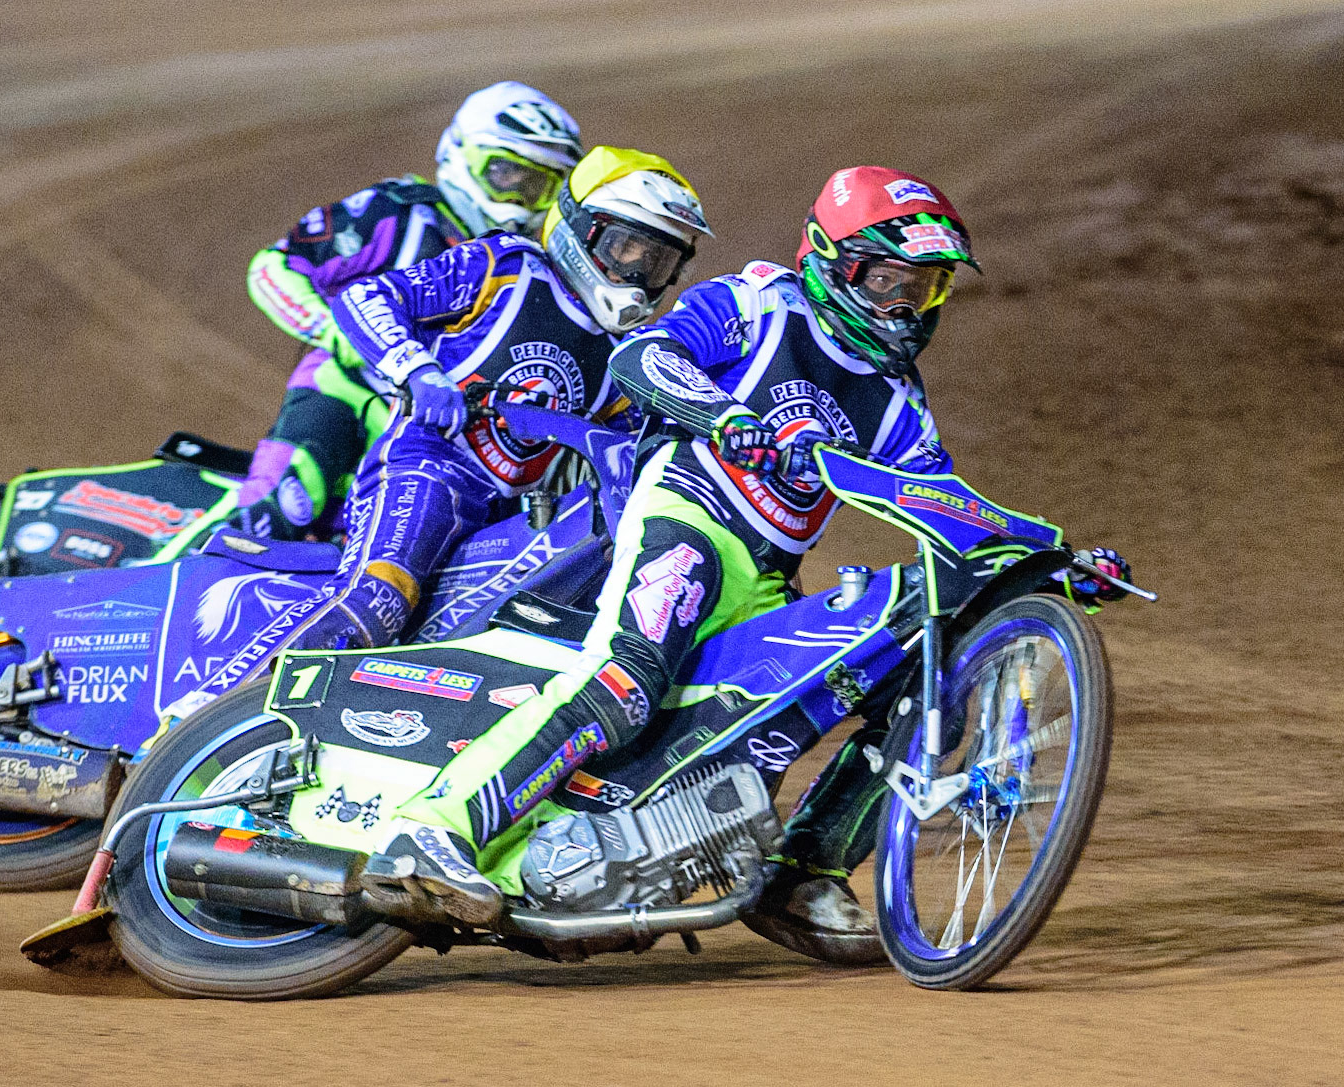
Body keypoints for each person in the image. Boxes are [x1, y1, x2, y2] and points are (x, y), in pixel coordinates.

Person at [356, 166, 1132, 943]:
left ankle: (800, 878)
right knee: (624, 682)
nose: (904, 308)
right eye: (889, 281)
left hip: (761, 575)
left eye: (924, 290)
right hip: (682, 517)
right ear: (833, 263)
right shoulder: (758, 302)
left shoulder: (899, 400)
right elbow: (644, 358)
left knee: (881, 692)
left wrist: (1049, 559)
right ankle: (433, 827)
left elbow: (939, 504)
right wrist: (723, 416)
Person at [259, 146, 710, 674]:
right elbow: (367, 297)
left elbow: (640, 450)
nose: (638, 271)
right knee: (378, 601)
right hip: (430, 468)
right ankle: (219, 717)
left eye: (659, 260)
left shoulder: (629, 353)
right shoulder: (503, 266)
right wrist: (418, 369)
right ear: (581, 227)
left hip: (512, 517)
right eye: (628, 247)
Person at [239, 81, 583, 539]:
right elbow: (273, 268)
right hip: (348, 391)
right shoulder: (398, 212)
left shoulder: (529, 268)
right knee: (281, 507)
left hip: (442, 433)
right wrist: (336, 332)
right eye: (506, 173)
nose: (517, 197)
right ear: (460, 151)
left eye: (538, 186)